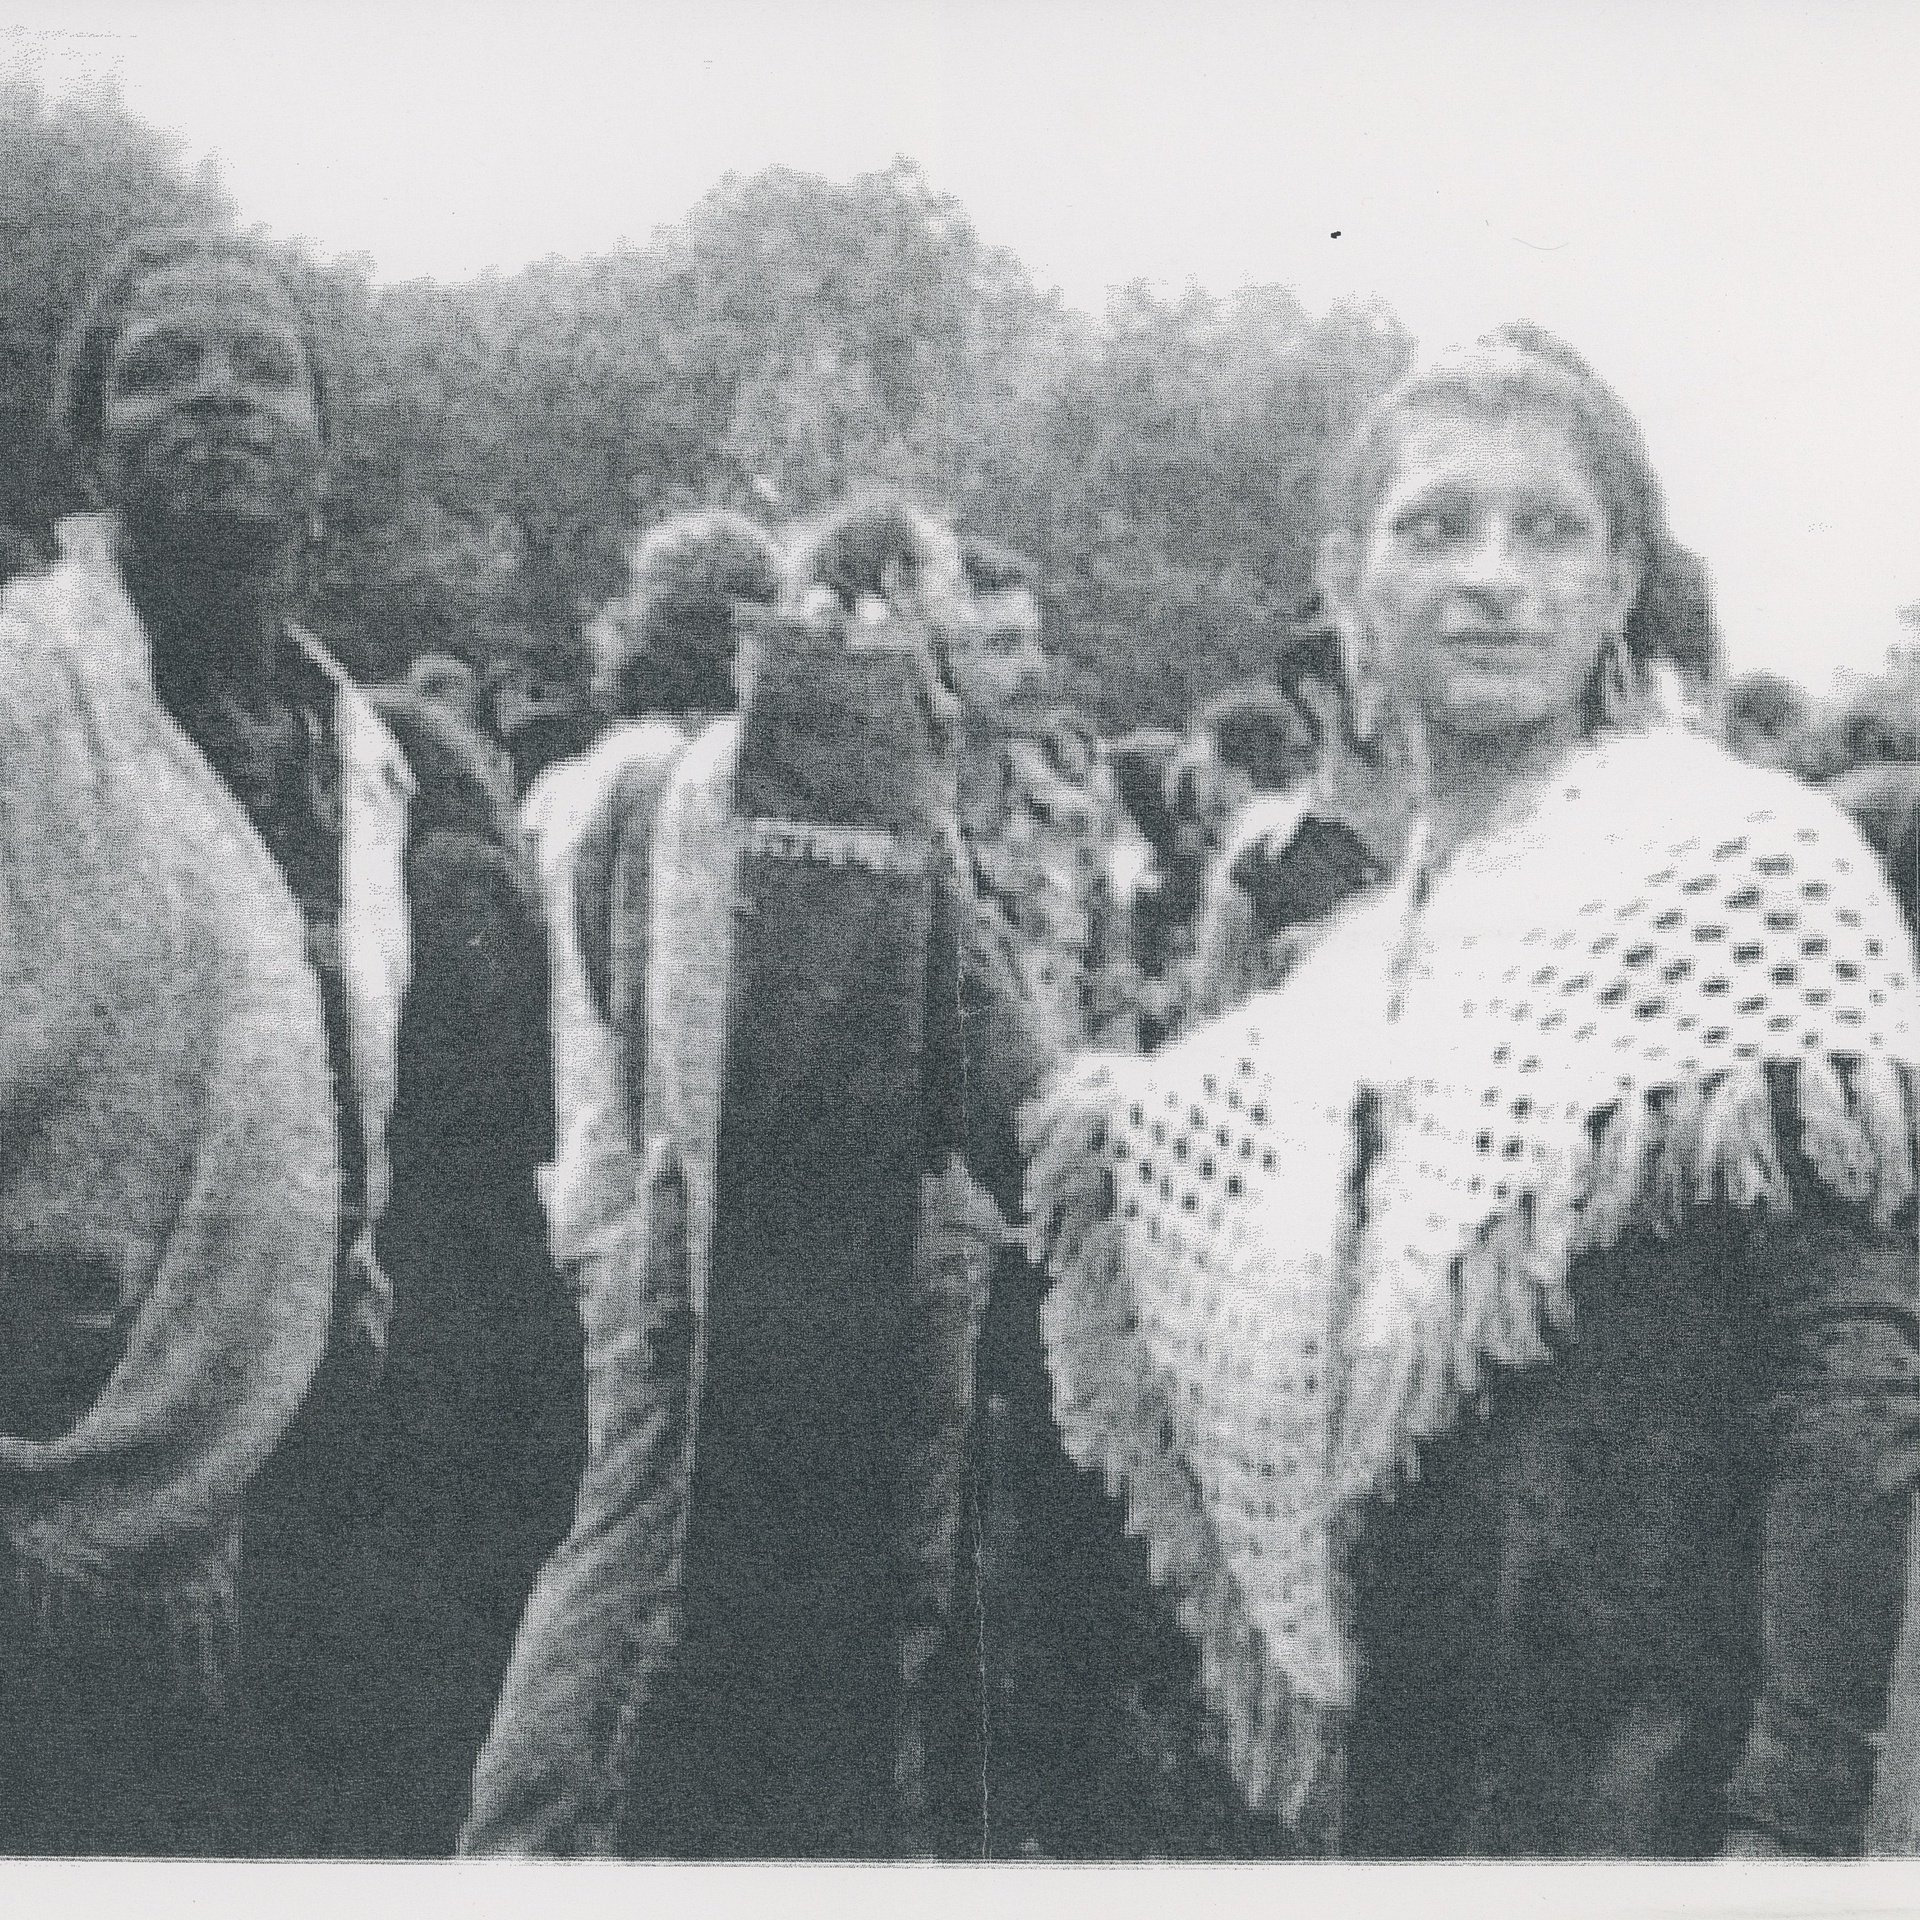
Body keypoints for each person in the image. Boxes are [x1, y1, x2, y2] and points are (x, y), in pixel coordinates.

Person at [1026, 331, 1920, 1857]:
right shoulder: (1349, 982)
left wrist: (1794, 1804)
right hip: (1417, 1768)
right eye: (1434, 526)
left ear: (1622, 577)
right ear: (1347, 580)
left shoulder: (1748, 865)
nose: (1490, 576)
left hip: (1662, 1770)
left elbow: (1855, 1380)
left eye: (1548, 527)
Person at [462, 496, 1047, 1857]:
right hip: (699, 1245)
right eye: (958, 589)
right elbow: (692, 1035)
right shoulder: (762, 772)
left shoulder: (761, 762)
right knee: (645, 1567)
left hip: (660, 1221)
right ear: (895, 588)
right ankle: (529, 1853)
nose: (979, 629)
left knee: (654, 1562)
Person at [0, 222, 414, 1853]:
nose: (219, 396)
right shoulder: (24, 695)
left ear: (326, 441)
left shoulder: (360, 753)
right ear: (85, 441)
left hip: (312, 1454)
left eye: (264, 367)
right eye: (160, 368)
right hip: (54, 1465)